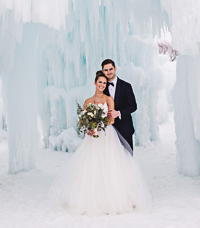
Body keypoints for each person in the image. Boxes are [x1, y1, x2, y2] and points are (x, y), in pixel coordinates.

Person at [48, 71, 151, 216]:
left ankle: (112, 199)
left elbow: (112, 120)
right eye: (100, 82)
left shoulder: (109, 100)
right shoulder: (87, 101)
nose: (102, 85)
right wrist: (89, 128)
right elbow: (83, 121)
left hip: (107, 135)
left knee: (109, 166)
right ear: (95, 83)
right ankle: (90, 199)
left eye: (104, 83)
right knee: (91, 166)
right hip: (92, 138)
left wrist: (99, 125)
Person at [102, 59, 137, 153]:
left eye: (111, 69)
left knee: (128, 157)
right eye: (106, 70)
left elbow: (133, 106)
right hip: (108, 130)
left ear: (115, 69)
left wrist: (118, 113)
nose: (109, 72)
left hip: (125, 128)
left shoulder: (126, 86)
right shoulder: (101, 88)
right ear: (103, 71)